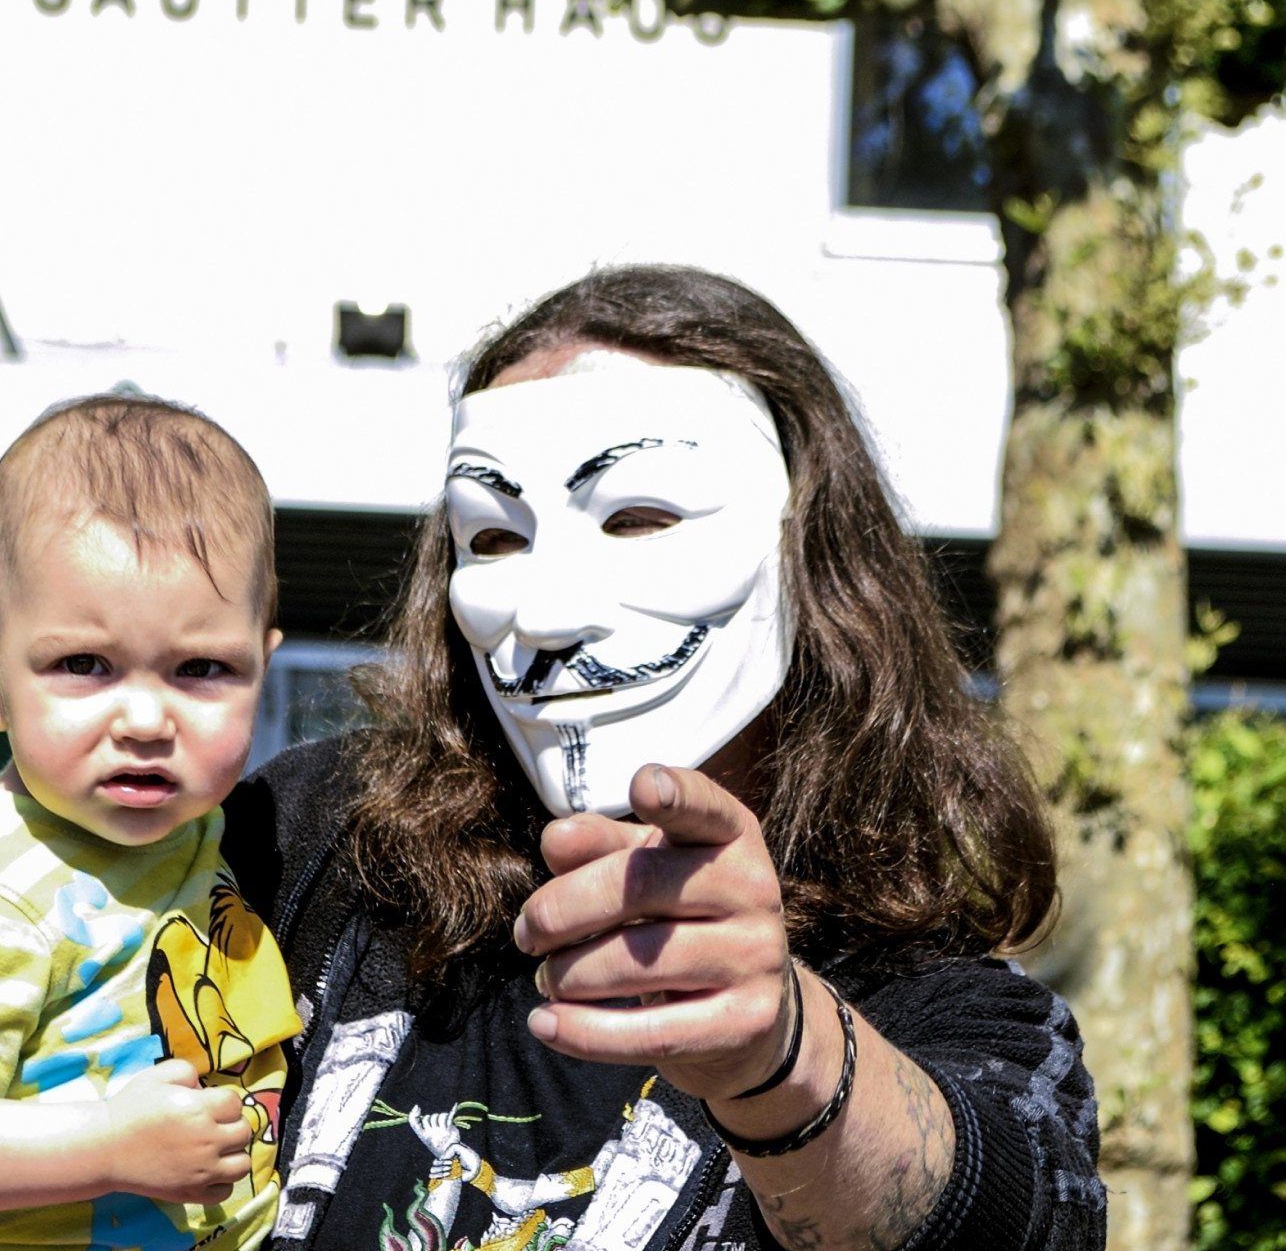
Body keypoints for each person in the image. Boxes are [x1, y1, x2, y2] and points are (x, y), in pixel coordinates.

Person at [234, 265, 1106, 1251]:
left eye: (637, 519)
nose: (548, 614)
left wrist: (785, 1056)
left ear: (807, 548)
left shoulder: (935, 1006)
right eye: (493, 536)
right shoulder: (321, 848)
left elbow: (1023, 1219)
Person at [0, 396, 302, 1249]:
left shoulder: (201, 834)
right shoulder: (15, 891)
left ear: (263, 667)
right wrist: (106, 1149)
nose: (144, 719)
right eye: (82, 664)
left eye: (201, 668)